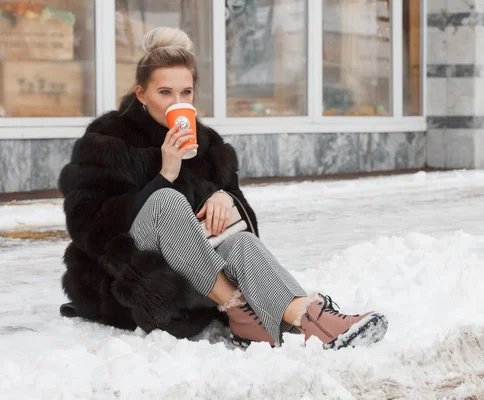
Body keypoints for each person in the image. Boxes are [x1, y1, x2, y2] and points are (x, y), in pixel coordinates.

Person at [58, 27, 388, 349]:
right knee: (166, 199)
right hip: (140, 284)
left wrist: (226, 200)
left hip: (198, 280)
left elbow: (248, 229)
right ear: (141, 93)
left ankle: (306, 318)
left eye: (185, 93)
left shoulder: (209, 146)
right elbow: (87, 226)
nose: (176, 102)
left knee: (242, 242)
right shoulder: (107, 140)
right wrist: (165, 173)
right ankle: (243, 308)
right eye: (165, 92)